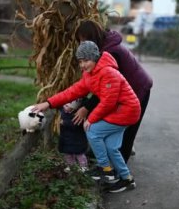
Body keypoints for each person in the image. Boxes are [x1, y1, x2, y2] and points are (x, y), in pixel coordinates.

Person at [32, 41, 141, 193]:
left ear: (95, 58)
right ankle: (127, 179)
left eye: (86, 60)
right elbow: (72, 91)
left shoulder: (108, 72)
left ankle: (107, 171)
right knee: (111, 147)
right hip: (120, 111)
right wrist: (48, 103)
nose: (82, 65)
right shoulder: (90, 75)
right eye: (80, 61)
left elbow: (108, 102)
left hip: (126, 110)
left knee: (93, 130)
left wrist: (91, 119)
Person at [73, 20, 153, 163]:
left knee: (128, 130)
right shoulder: (103, 47)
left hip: (139, 89)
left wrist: (86, 107)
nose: (81, 44)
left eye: (83, 40)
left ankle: (121, 175)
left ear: (92, 38)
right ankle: (105, 158)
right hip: (127, 88)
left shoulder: (109, 53)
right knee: (111, 121)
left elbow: (108, 90)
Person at [58, 99, 88, 173]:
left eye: (68, 106)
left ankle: (83, 166)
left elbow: (77, 124)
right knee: (68, 154)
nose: (65, 107)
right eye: (64, 105)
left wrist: (64, 122)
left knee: (79, 154)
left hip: (77, 139)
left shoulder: (78, 114)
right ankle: (71, 166)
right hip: (65, 139)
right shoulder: (63, 112)